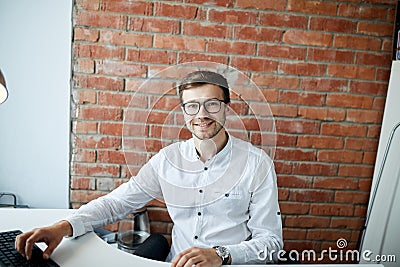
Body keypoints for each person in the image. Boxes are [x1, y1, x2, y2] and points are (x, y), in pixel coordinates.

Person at [15, 70, 283, 266]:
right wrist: (62, 227)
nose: (201, 114)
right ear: (184, 112)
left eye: (212, 104)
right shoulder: (167, 161)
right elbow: (115, 204)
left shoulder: (257, 164)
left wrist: (220, 254)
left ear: (226, 109)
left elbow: (271, 244)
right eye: (192, 106)